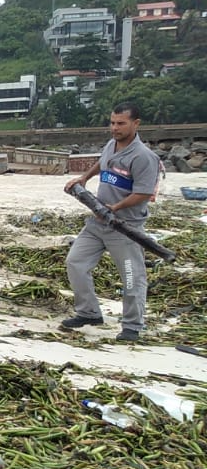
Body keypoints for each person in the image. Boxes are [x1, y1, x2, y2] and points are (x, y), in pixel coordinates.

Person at [61, 101, 162, 342]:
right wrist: (84, 178)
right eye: (112, 122)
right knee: (75, 263)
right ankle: (89, 312)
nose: (115, 128)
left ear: (135, 124)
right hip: (97, 224)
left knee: (130, 276)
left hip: (125, 228)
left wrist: (114, 208)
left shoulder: (143, 157)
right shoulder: (111, 145)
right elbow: (102, 162)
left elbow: (145, 193)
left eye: (121, 123)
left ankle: (132, 325)